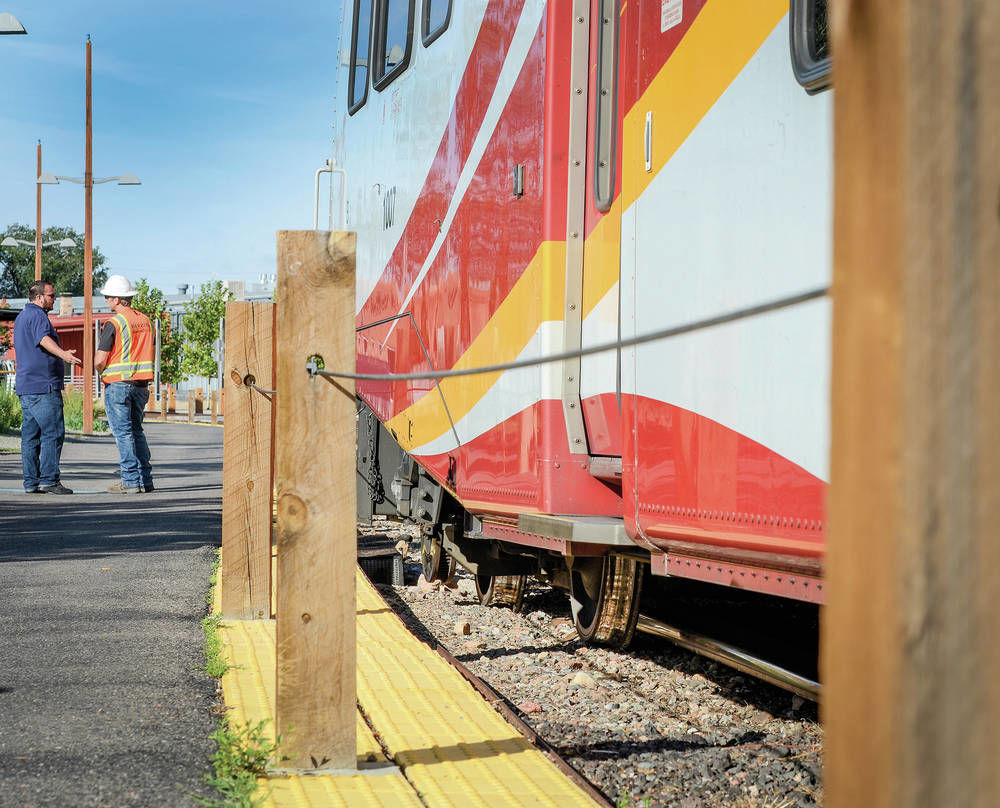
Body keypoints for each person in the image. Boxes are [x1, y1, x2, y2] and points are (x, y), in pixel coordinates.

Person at [13, 280, 82, 494]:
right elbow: (43, 339)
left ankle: (31, 482)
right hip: (43, 386)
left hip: (27, 386)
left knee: (31, 436)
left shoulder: (23, 316)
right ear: (39, 297)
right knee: (53, 432)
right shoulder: (37, 315)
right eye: (52, 296)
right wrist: (64, 355)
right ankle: (49, 480)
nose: (55, 299)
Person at [94, 274, 155, 494]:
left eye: (109, 297)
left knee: (124, 434)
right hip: (141, 385)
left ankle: (130, 482)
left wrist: (102, 373)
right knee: (136, 431)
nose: (107, 301)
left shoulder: (115, 323)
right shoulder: (146, 321)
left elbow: (100, 359)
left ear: (118, 300)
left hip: (118, 385)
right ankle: (145, 479)